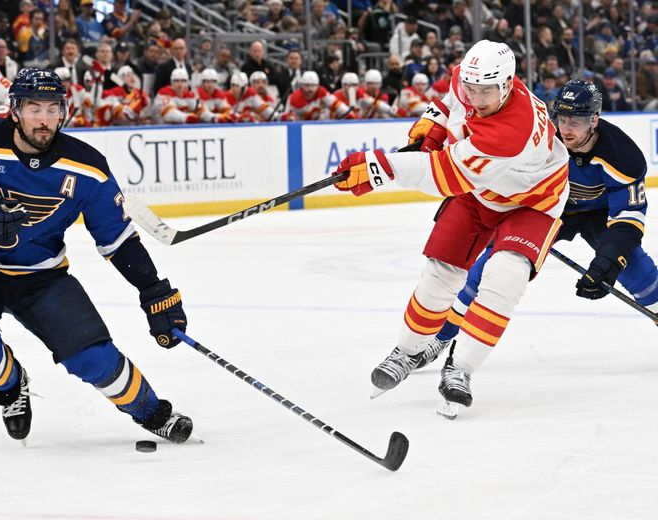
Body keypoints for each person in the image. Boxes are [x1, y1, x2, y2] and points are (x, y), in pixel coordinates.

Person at [0, 68, 193, 444]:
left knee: (94, 360)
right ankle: (11, 384)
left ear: (63, 112)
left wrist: (153, 291)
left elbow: (118, 238)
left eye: (53, 109)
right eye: (34, 108)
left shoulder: (86, 166)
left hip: (41, 277)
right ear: (15, 110)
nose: (43, 119)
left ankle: (152, 412)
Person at [332, 40, 569, 418]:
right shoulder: (471, 80)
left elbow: (444, 175)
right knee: (439, 272)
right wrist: (433, 124)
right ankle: (408, 351)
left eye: (485, 91)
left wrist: (382, 167)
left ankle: (460, 370)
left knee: (504, 277)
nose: (475, 98)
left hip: (533, 202)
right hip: (482, 190)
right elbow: (449, 103)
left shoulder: (511, 131)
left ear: (507, 84)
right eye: (472, 88)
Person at [421, 80, 656, 367]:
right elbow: (499, 173)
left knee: (633, 267)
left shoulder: (623, 156)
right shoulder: (537, 137)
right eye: (563, 118)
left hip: (597, 214)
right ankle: (441, 337)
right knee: (487, 269)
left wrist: (608, 261)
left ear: (594, 120)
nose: (566, 128)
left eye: (577, 121)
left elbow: (628, 218)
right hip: (545, 208)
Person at [281, 71, 353, 121]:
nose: (310, 89)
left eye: (313, 85)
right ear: (301, 86)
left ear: (318, 85)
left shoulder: (322, 92)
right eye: (307, 85)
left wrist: (349, 114)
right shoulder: (293, 98)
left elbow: (336, 104)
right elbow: (287, 117)